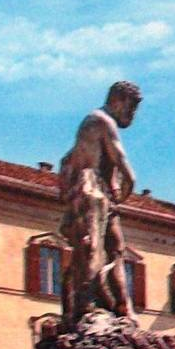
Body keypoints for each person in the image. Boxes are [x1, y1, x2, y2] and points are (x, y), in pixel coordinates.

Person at [58, 80, 142, 327]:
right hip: (93, 193)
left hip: (99, 195)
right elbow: (126, 168)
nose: (132, 115)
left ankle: (122, 306)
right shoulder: (101, 121)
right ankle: (86, 306)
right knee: (92, 249)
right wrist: (125, 191)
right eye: (131, 107)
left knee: (115, 248)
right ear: (117, 100)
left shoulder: (95, 123)